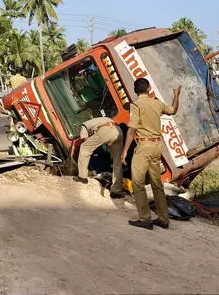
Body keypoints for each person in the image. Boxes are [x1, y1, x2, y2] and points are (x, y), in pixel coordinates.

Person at [121, 78, 181, 230]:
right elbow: (173, 110)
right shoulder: (157, 103)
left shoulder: (136, 105)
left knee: (138, 183)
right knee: (157, 184)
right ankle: (163, 219)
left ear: (136, 90)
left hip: (144, 146)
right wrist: (176, 95)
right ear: (148, 88)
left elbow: (132, 129)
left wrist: (125, 151)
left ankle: (145, 219)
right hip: (157, 146)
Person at [74, 117, 126, 199]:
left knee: (84, 148)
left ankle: (82, 177)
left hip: (106, 130)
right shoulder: (99, 120)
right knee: (117, 162)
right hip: (118, 131)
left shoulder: (84, 125)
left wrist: (91, 148)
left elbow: (85, 140)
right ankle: (116, 191)